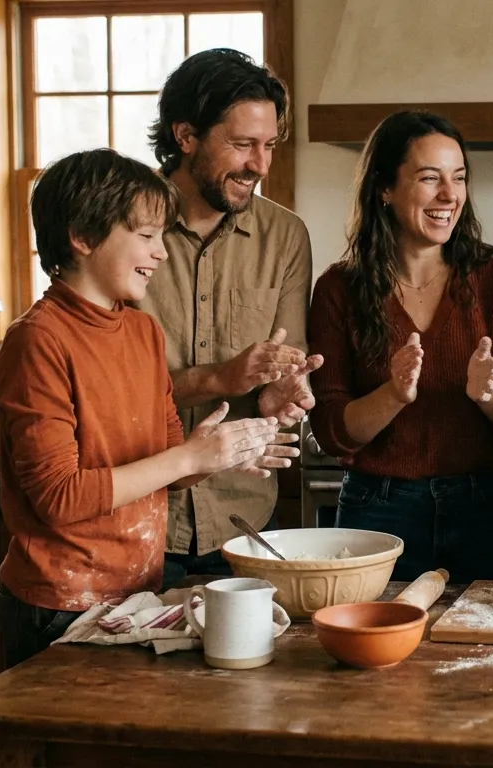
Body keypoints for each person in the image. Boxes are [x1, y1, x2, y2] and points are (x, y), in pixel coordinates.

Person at [0, 149, 296, 667]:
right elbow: (60, 499)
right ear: (83, 238)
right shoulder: (38, 340)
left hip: (136, 590)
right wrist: (188, 459)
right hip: (58, 604)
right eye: (147, 235)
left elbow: (165, 467)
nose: (161, 252)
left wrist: (213, 456)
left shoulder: (141, 331)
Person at [308, 110, 493, 583]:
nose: (449, 195)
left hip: (484, 505)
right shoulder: (339, 288)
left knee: (485, 650)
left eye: (458, 178)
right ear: (385, 188)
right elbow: (332, 428)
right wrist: (392, 394)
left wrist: (489, 394)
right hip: (378, 509)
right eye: (429, 178)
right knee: (372, 648)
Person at [137, 49, 322, 585]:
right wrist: (218, 378)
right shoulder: (123, 227)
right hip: (136, 520)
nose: (260, 166)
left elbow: (285, 374)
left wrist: (282, 394)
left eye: (268, 146)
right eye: (242, 145)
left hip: (242, 524)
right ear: (186, 136)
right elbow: (106, 397)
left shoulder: (285, 237)